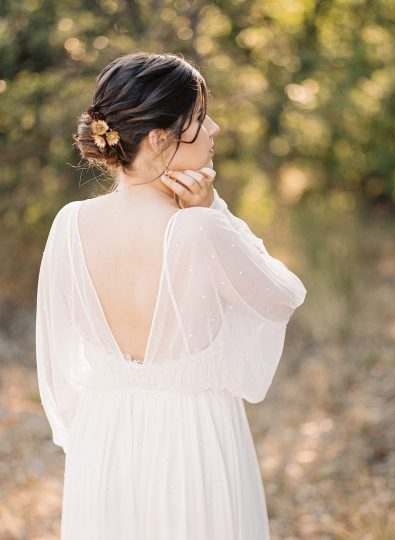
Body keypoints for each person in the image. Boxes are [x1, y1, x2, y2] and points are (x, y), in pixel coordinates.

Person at [35, 51, 307, 540]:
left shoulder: (69, 225)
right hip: (193, 440)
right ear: (161, 139)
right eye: (200, 119)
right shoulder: (200, 230)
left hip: (105, 439)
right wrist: (215, 209)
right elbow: (283, 294)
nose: (215, 128)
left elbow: (57, 357)